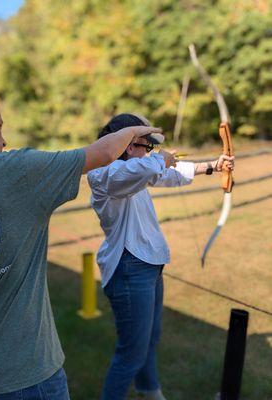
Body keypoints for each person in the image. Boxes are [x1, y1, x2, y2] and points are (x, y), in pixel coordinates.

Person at [0, 87, 162, 399]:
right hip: (29, 375)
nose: (3, 140)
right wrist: (138, 130)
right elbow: (101, 154)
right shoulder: (13, 170)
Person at [87, 113, 235, 400]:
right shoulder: (103, 175)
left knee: (149, 340)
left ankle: (149, 392)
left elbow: (165, 173)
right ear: (130, 146)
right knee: (131, 353)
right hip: (128, 269)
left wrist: (212, 166)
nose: (150, 152)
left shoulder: (136, 171)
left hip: (148, 266)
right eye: (147, 146)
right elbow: (144, 170)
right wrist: (160, 158)